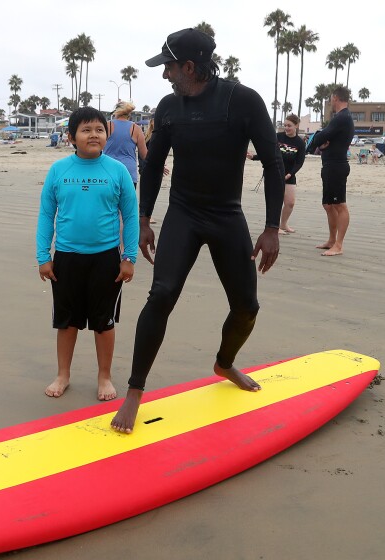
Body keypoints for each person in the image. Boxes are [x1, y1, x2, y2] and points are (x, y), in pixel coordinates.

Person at [110, 28, 284, 434]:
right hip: (184, 214)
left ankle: (224, 364)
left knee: (247, 307)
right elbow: (152, 165)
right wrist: (145, 219)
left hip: (227, 216)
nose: (165, 74)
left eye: (169, 66)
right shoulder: (170, 107)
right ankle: (135, 391)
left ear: (189, 66)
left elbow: (273, 164)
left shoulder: (243, 101)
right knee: (162, 294)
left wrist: (271, 226)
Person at [36, 106, 139, 401]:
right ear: (71, 137)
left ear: (106, 134)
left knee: (103, 322)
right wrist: (43, 256)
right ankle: (63, 374)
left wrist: (129, 258)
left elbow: (130, 216)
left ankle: (104, 376)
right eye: (85, 130)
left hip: (106, 258)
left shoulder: (117, 171)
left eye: (98, 129)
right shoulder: (59, 170)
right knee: (67, 321)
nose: (93, 135)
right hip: (66, 258)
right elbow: (46, 215)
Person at [307, 85, 354, 257]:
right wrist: (322, 141)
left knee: (339, 204)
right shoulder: (341, 118)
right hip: (330, 165)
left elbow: (319, 137)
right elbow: (322, 138)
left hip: (337, 165)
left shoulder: (342, 117)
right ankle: (331, 240)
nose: (330, 102)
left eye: (330, 99)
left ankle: (339, 245)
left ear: (335, 98)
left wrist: (321, 140)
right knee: (328, 204)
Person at [247, 113, 306, 234]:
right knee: (276, 201)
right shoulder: (277, 137)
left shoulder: (300, 143)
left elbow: (299, 162)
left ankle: (283, 224)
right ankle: (275, 226)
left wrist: (290, 174)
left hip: (289, 175)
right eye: (285, 125)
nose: (286, 128)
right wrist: (253, 157)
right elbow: (268, 153)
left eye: (289, 125)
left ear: (296, 125)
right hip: (275, 173)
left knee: (290, 203)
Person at [104, 101, 148, 189]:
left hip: (107, 171)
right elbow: (144, 155)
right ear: (129, 114)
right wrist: (159, 164)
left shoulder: (106, 126)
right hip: (129, 173)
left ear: (116, 112)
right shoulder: (136, 129)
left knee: (107, 202)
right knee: (127, 202)